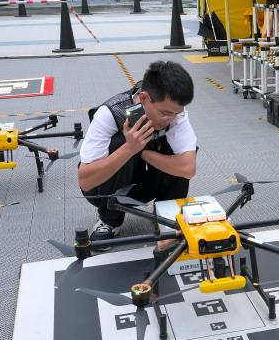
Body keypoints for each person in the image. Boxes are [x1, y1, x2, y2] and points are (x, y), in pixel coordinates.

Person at [79, 61, 197, 241]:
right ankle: (110, 220)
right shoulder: (110, 113)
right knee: (118, 143)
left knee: (181, 153)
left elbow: (187, 168)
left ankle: (166, 216)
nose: (170, 119)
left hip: (148, 180)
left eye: (176, 113)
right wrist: (128, 148)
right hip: (109, 187)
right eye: (165, 113)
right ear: (143, 98)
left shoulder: (175, 113)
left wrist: (140, 150)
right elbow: (86, 181)